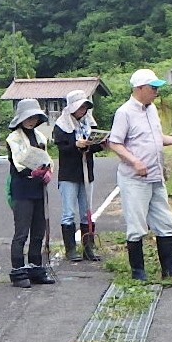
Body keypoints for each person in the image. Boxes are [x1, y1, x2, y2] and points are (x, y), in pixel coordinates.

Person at [107, 69, 172, 282]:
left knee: (165, 220)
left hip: (155, 175)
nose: (156, 92)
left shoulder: (151, 109)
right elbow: (114, 142)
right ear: (139, 88)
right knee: (136, 224)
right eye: (152, 88)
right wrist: (134, 161)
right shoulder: (125, 112)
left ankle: (170, 268)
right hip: (134, 179)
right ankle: (138, 271)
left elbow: (155, 138)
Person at [52, 89, 107, 262]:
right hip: (69, 174)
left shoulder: (89, 123)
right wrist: (76, 145)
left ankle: (89, 248)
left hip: (86, 172)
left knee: (87, 212)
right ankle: (71, 250)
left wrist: (97, 144)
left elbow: (95, 145)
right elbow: (62, 148)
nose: (82, 111)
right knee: (68, 212)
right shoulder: (61, 125)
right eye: (80, 107)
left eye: (85, 107)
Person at [6, 98, 55, 288]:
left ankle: (36, 268)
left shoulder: (40, 137)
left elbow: (48, 160)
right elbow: (19, 164)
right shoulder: (13, 139)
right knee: (22, 232)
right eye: (28, 117)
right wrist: (34, 170)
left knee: (38, 231)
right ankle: (18, 272)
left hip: (38, 188)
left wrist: (48, 171)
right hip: (22, 188)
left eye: (34, 117)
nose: (31, 121)